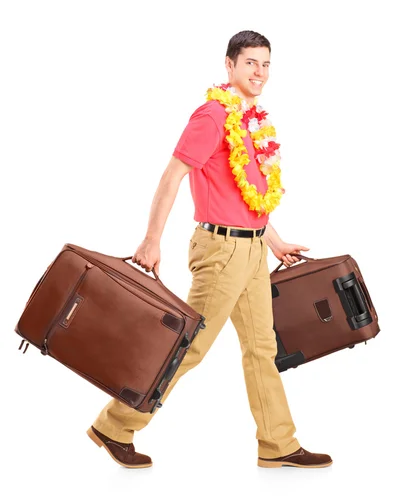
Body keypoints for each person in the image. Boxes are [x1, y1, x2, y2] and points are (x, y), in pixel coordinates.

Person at [87, 30, 333, 469]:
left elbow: (246, 199)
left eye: (265, 64)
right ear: (229, 65)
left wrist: (273, 242)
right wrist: (151, 238)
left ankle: (278, 445)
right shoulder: (212, 116)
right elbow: (172, 176)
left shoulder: (252, 121)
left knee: (262, 349)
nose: (259, 72)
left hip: (252, 250)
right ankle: (114, 425)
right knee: (188, 346)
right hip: (221, 252)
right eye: (250, 63)